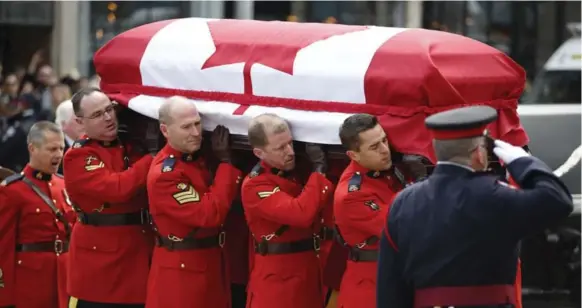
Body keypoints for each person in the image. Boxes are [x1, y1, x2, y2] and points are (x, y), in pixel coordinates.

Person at [376, 105, 574, 307]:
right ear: (480, 154)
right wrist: (523, 162)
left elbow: (391, 288)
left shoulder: (402, 203)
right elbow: (557, 200)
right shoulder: (497, 197)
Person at [145, 96, 243, 308]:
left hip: (210, 264)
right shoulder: (165, 175)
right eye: (186, 127)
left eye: (198, 124)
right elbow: (209, 214)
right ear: (165, 131)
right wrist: (226, 164)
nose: (196, 133)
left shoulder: (194, 158)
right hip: (183, 274)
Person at [63, 88, 155, 308]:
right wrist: (152, 157)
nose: (107, 118)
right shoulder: (78, 156)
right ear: (80, 122)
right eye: (97, 114)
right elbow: (118, 189)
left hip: (139, 250)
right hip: (101, 264)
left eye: (109, 110)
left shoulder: (128, 143)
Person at [241, 113, 333, 308]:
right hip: (278, 283)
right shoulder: (255, 186)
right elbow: (301, 214)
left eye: (290, 143)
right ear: (259, 153)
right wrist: (319, 172)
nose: (290, 152)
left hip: (307, 273)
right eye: (280, 148)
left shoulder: (290, 172)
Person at [333, 113, 412, 308]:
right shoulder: (352, 195)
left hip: (397, 279)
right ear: (354, 155)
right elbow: (403, 228)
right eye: (375, 147)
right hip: (371, 290)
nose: (385, 150)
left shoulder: (386, 172)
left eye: (384, 140)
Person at [0, 121, 76, 308]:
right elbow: (3, 245)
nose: (59, 154)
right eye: (52, 149)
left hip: (64, 278)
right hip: (30, 283)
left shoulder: (63, 185)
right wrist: (5, 296)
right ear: (32, 149)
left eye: (61, 148)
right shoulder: (12, 190)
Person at [54, 99, 84, 174]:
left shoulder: (94, 142)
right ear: (64, 124)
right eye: (77, 120)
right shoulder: (57, 152)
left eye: (84, 118)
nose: (83, 123)